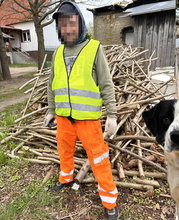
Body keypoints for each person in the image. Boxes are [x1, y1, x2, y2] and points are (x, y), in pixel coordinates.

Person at [43, 2, 119, 219]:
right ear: (58, 27)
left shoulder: (94, 48)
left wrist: (112, 115)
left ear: (80, 24)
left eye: (71, 24)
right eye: (63, 25)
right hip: (63, 118)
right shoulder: (57, 53)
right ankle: (66, 178)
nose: (67, 29)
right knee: (64, 151)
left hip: (88, 120)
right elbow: (52, 84)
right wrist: (50, 110)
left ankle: (110, 201)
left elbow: (106, 84)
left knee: (99, 158)